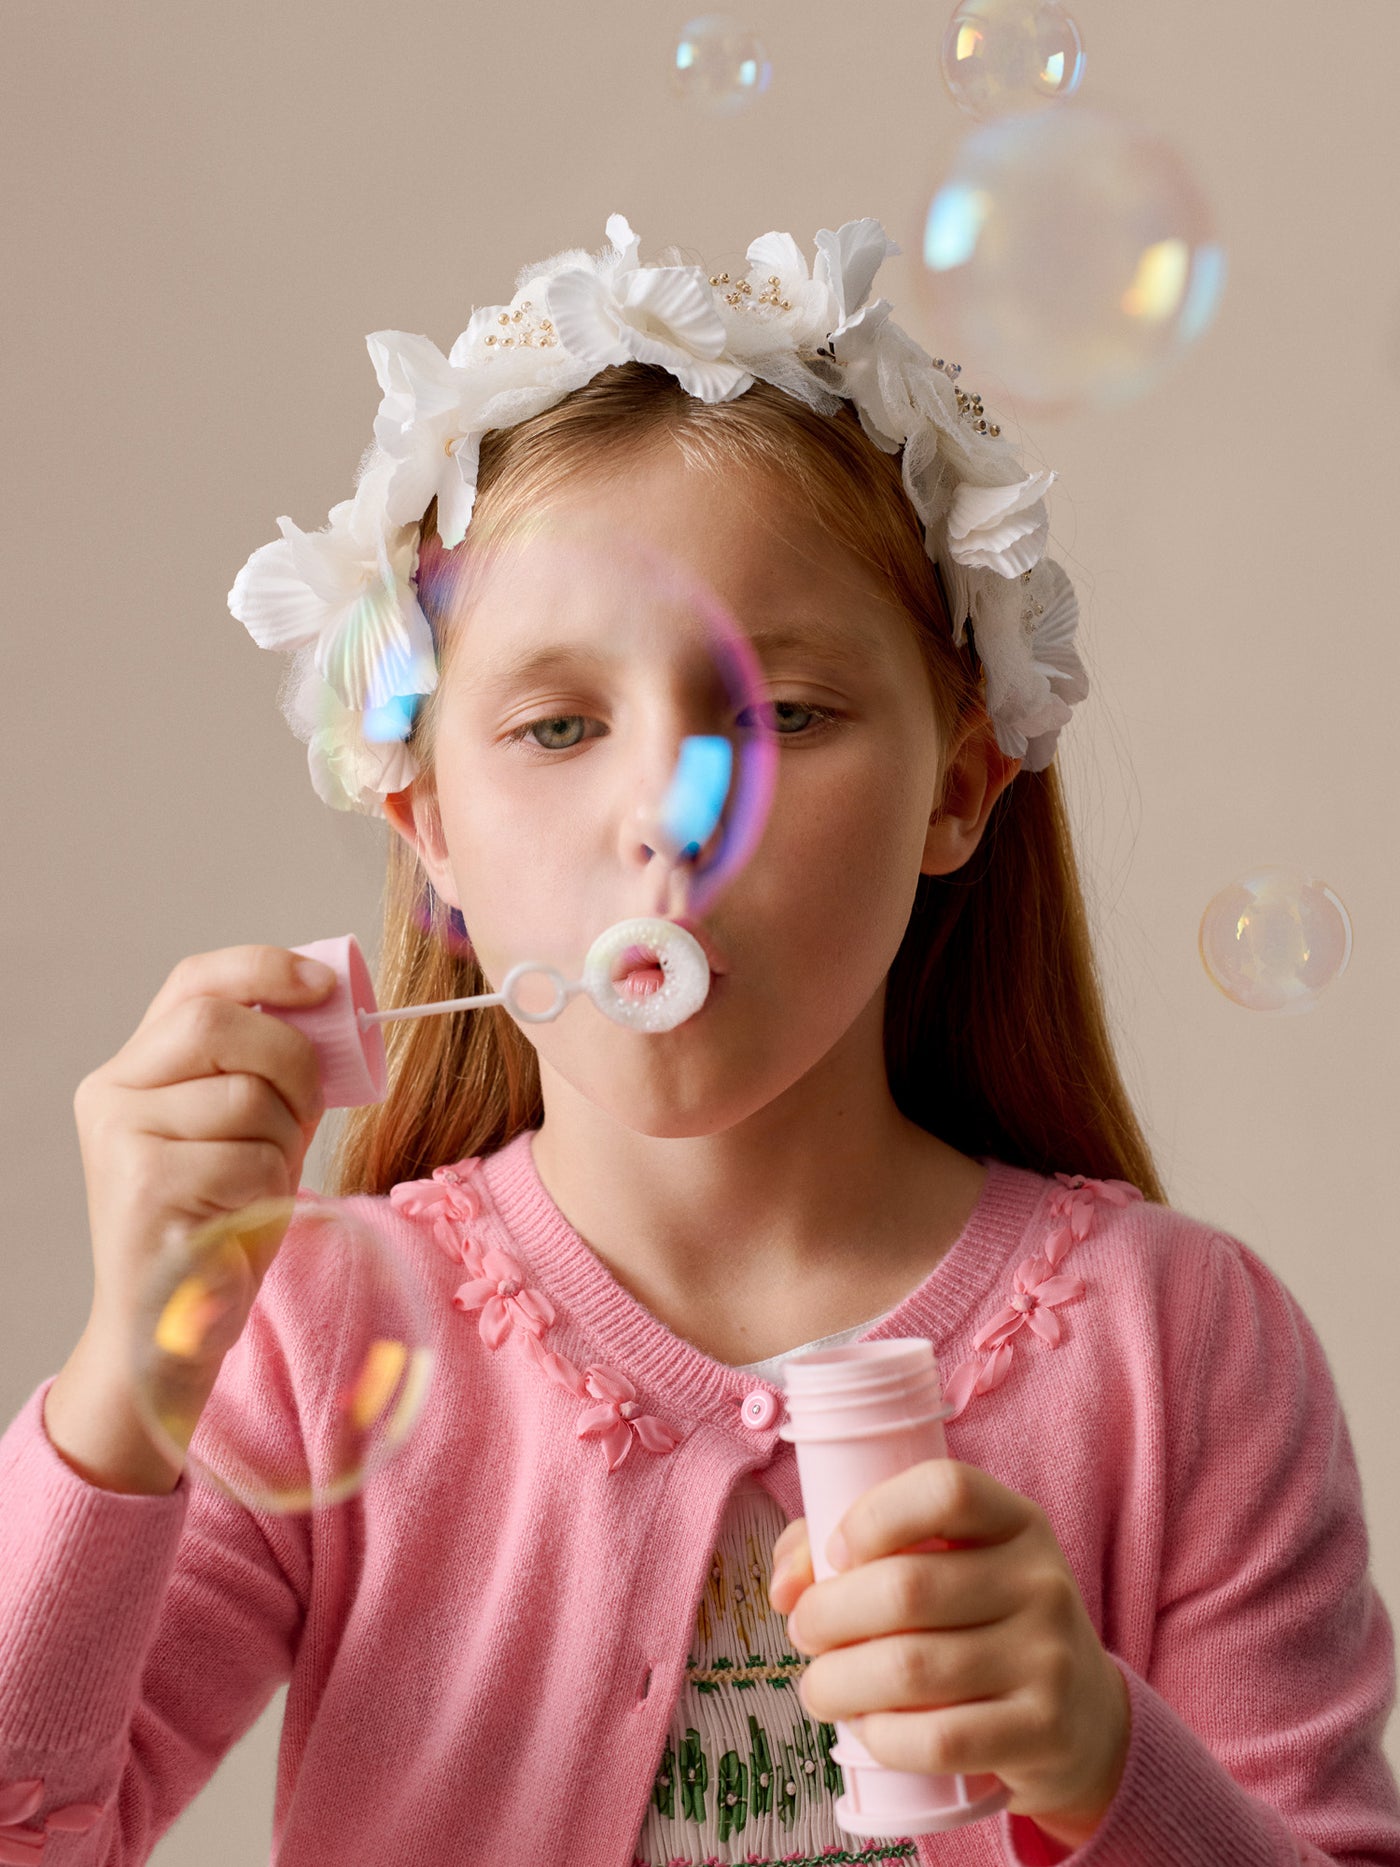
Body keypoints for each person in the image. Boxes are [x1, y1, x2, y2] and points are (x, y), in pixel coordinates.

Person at [1, 214, 1397, 1867]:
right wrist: (124, 1388)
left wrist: (1107, 1764)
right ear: (427, 820)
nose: (672, 814)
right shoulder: (304, 1339)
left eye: (786, 715)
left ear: (957, 786)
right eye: (558, 725)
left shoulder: (1189, 1349)